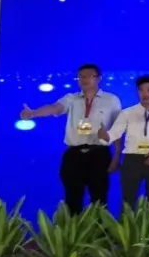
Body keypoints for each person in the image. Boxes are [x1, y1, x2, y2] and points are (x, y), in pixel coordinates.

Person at [20, 64, 122, 214]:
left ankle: (100, 229)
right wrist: (33, 113)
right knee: (72, 199)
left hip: (99, 155)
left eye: (89, 76)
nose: (84, 79)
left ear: (99, 78)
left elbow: (118, 128)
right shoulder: (71, 99)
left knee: (99, 200)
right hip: (74, 155)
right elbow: (54, 108)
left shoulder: (111, 100)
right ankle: (73, 228)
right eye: (81, 76)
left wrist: (117, 156)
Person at [98, 75, 149, 211]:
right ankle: (126, 225)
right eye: (141, 90)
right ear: (137, 91)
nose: (145, 94)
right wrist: (105, 136)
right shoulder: (126, 113)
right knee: (128, 201)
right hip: (131, 161)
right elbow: (114, 133)